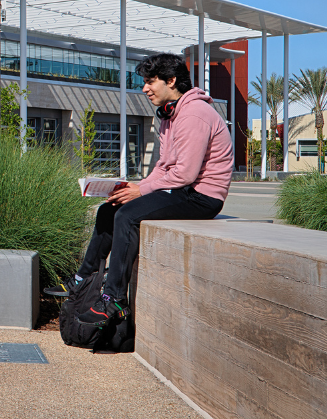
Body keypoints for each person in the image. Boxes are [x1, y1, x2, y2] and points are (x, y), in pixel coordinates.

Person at [45, 53, 234, 327]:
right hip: (182, 191)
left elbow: (186, 173)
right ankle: (82, 281)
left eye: (150, 82)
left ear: (171, 81)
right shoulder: (171, 115)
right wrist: (135, 188)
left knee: (127, 216)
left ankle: (114, 298)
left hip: (202, 197)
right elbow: (163, 166)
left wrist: (142, 190)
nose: (144, 88)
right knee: (110, 209)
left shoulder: (194, 114)